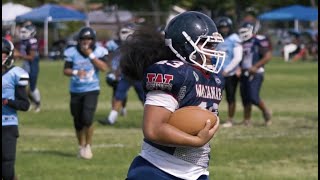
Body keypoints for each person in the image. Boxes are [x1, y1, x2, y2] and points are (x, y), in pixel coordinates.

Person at [120, 11, 225, 180]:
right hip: (158, 170)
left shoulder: (215, 78)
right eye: (206, 44)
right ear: (186, 46)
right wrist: (197, 141)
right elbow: (153, 129)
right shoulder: (172, 72)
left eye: (213, 45)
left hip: (196, 173)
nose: (212, 51)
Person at [63, 27, 108, 159]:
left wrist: (90, 54)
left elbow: (104, 68)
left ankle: (88, 146)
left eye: (88, 39)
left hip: (91, 89)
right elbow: (65, 70)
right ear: (79, 40)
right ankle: (81, 146)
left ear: (93, 40)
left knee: (87, 119)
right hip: (75, 90)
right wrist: (76, 72)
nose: (85, 41)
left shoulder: (99, 51)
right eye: (83, 39)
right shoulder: (71, 52)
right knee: (77, 121)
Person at [99, 23, 144, 125]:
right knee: (118, 95)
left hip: (137, 75)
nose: (122, 35)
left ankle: (153, 118)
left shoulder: (138, 46)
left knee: (144, 98)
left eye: (125, 32)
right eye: (122, 32)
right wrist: (113, 70)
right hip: (126, 75)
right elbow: (109, 56)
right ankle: (111, 118)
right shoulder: (115, 44)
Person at [2, 38, 30, 180]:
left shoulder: (15, 74)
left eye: (3, 53)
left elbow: (25, 105)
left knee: (7, 166)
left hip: (8, 124)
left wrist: (7, 102)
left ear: (9, 55)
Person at [238, 22, 272, 126]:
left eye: (244, 32)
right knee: (245, 98)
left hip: (256, 72)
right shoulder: (242, 42)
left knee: (253, 97)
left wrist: (255, 66)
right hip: (244, 72)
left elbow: (267, 56)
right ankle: (247, 120)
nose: (242, 34)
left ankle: (266, 111)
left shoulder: (259, 40)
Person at [215, 17, 243, 128]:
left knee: (230, 97)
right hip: (216, 71)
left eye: (226, 27)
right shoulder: (217, 38)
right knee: (213, 96)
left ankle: (230, 119)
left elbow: (237, 57)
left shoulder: (235, 38)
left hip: (229, 73)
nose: (224, 29)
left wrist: (227, 70)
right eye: (222, 27)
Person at [14, 22, 41, 113]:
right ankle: (28, 103)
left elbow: (31, 57)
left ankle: (37, 104)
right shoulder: (24, 41)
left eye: (25, 32)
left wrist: (19, 55)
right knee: (21, 85)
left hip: (32, 67)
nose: (23, 34)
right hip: (26, 66)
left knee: (32, 88)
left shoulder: (32, 41)